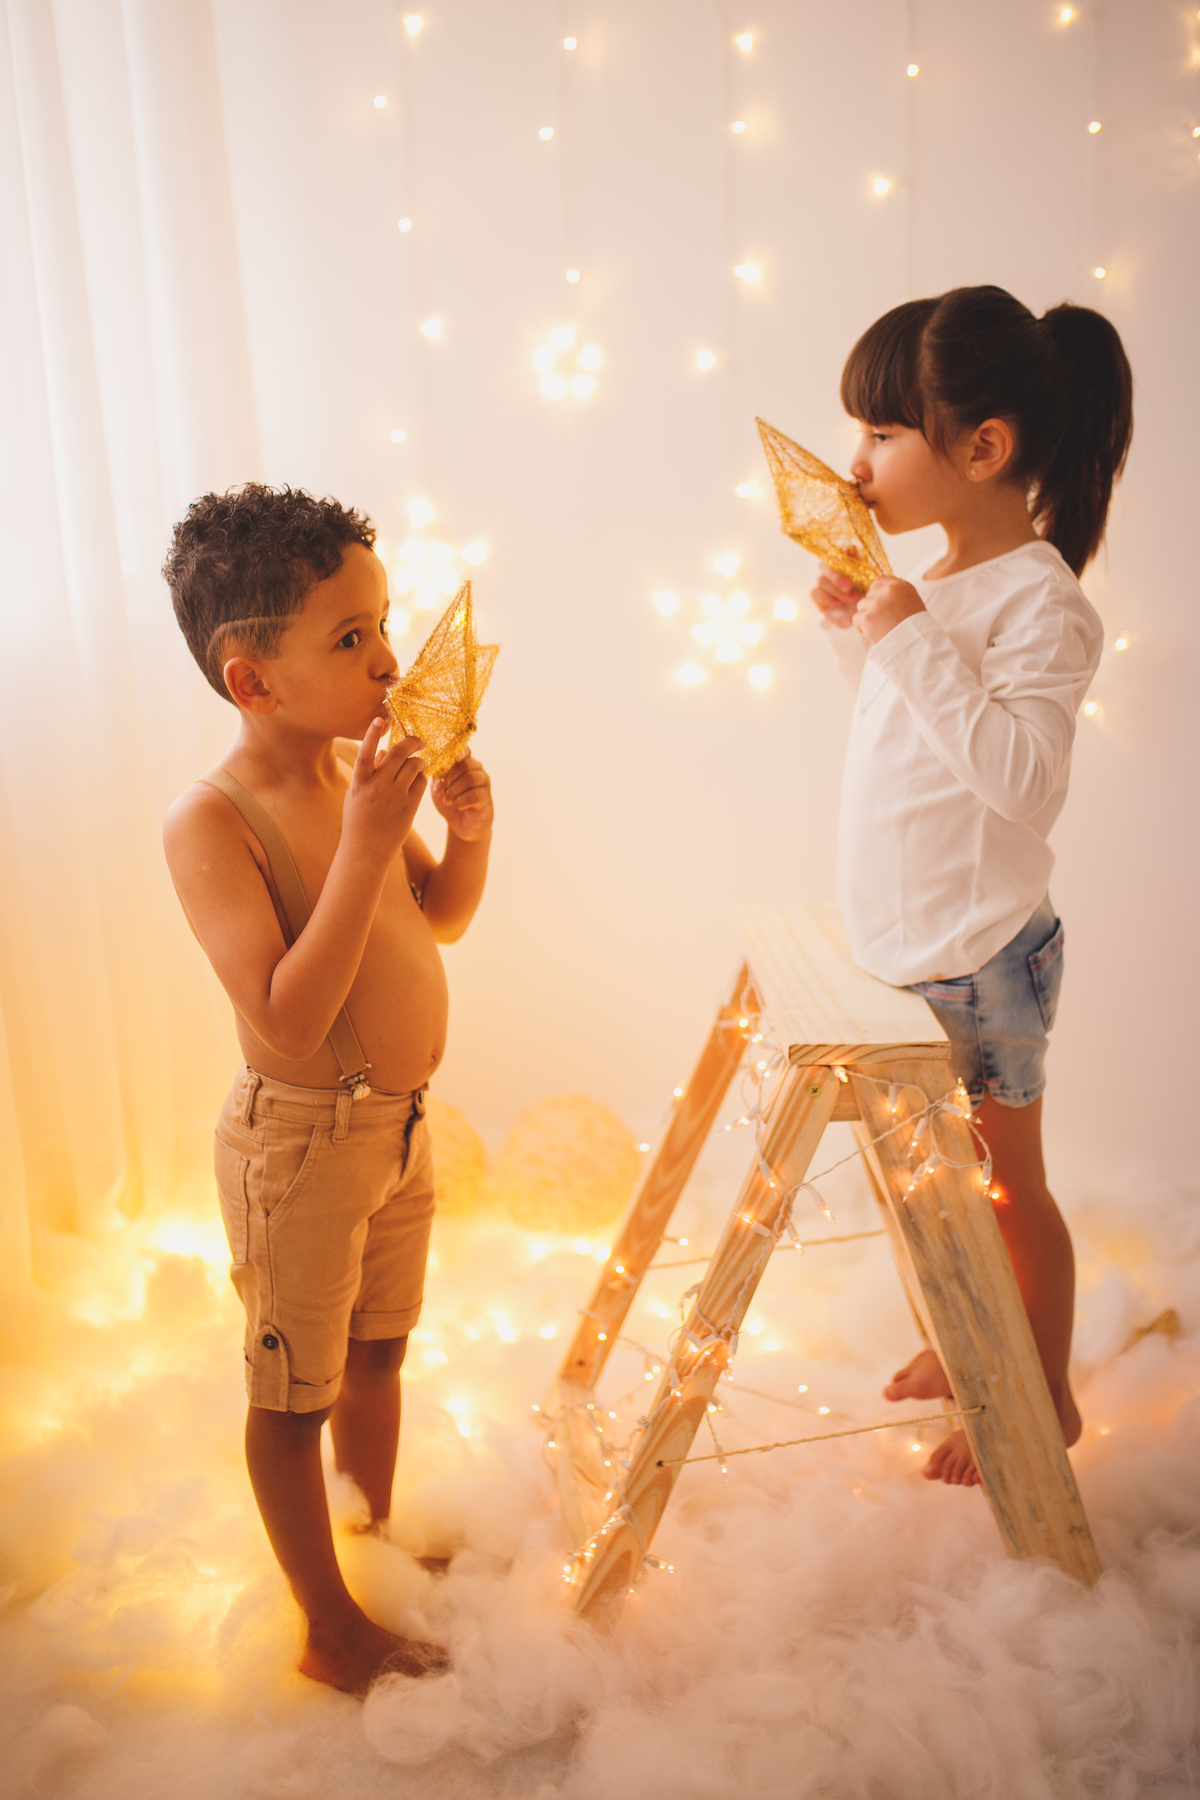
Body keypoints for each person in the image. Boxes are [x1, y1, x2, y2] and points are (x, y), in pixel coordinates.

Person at [162, 485, 494, 1691]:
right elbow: (287, 1015)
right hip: (301, 1144)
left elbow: (439, 920)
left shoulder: (359, 769)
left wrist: (466, 835)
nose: (390, 660)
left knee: (378, 1354)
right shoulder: (214, 820)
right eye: (350, 639)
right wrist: (362, 842)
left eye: (384, 622)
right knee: (292, 1393)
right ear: (252, 680)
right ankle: (325, 1623)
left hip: (398, 1134)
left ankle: (372, 1541)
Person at [810, 285, 1133, 1487]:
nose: (859, 464)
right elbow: (912, 746)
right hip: (906, 945)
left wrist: (902, 639)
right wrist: (862, 638)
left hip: (983, 955)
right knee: (921, 1190)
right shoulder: (933, 587)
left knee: (1006, 1191)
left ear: (982, 448)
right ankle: (965, 1337)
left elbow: (1019, 781)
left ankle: (1040, 1392)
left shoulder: (1045, 605)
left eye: (883, 435)